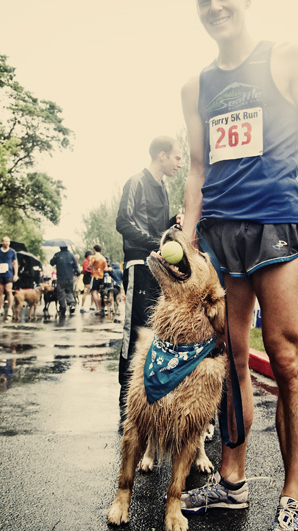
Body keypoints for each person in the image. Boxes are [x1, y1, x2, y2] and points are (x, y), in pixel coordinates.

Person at [179, 2, 298, 529]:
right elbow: (198, 167)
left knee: (287, 357)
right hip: (219, 234)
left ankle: (291, 497)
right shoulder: (195, 86)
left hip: (276, 225)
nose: (214, 6)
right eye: (203, 1)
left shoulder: (286, 57)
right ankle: (233, 483)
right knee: (232, 357)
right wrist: (188, 229)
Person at [115, 135, 182, 403]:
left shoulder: (163, 188)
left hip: (159, 267)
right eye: (177, 157)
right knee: (135, 331)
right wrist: (157, 243)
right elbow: (123, 222)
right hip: (137, 265)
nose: (180, 163)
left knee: (155, 332)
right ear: (162, 155)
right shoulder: (136, 182)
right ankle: (126, 400)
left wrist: (171, 222)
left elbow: (156, 229)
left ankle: (148, 396)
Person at [0, 236, 18, 321]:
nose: (7, 243)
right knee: (0, 291)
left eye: (8, 241)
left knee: (9, 291)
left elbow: (15, 263)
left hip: (9, 274)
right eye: (5, 241)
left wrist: (16, 274)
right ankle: (1, 308)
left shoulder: (12, 252)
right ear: (2, 242)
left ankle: (10, 309)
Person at [50, 245, 81, 315]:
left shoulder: (57, 255)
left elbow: (52, 262)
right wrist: (78, 273)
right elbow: (76, 266)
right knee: (69, 291)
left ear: (60, 248)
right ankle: (71, 304)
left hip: (61, 277)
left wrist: (55, 258)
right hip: (70, 277)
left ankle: (63, 307)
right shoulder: (71, 255)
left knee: (61, 293)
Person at [88, 245, 108, 316]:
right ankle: (100, 307)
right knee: (99, 292)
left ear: (94, 249)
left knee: (94, 292)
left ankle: (98, 308)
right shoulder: (103, 258)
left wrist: (92, 268)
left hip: (95, 276)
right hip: (101, 277)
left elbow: (89, 267)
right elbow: (106, 269)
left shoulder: (93, 257)